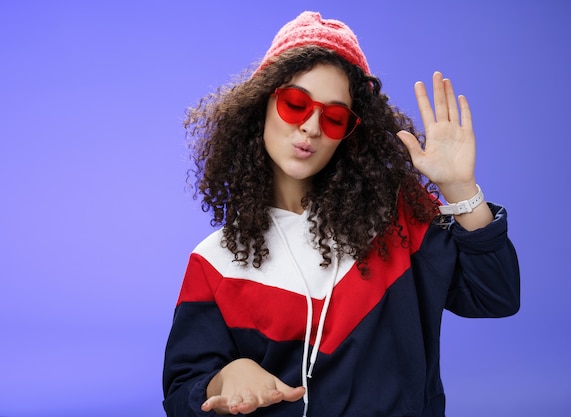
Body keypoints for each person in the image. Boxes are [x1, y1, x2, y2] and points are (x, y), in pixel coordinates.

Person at [162, 10, 520, 417]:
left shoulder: (400, 224)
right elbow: (181, 393)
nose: (311, 128)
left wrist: (460, 189)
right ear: (261, 105)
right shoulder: (215, 262)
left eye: (334, 118)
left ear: (350, 136)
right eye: (295, 104)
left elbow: (495, 296)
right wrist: (226, 377)